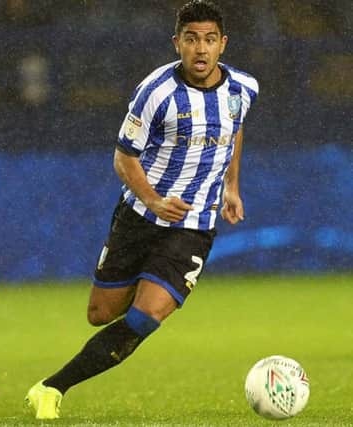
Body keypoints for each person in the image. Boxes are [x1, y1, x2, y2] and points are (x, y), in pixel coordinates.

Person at [26, 0, 259, 419]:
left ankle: (51, 388)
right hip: (138, 217)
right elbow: (123, 158)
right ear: (177, 43)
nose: (200, 49)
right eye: (191, 40)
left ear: (223, 44)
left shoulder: (244, 89)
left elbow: (235, 127)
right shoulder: (156, 92)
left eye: (209, 40)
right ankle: (149, 278)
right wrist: (152, 200)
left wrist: (231, 186)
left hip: (194, 225)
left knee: (147, 316)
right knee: (100, 314)